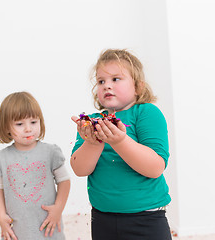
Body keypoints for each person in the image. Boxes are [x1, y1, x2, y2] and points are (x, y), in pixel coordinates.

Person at [71, 49, 172, 240]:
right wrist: (92, 143)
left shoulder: (146, 113)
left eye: (115, 79)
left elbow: (155, 167)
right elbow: (79, 169)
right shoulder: (93, 122)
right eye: (101, 81)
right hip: (102, 218)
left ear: (138, 87)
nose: (107, 85)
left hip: (147, 218)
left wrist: (120, 141)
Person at [0, 92, 70, 240]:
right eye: (20, 124)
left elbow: (64, 180)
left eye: (33, 122)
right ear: (6, 127)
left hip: (47, 225)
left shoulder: (50, 152)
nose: (28, 129)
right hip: (18, 229)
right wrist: (1, 216)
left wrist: (58, 208)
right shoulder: (2, 158)